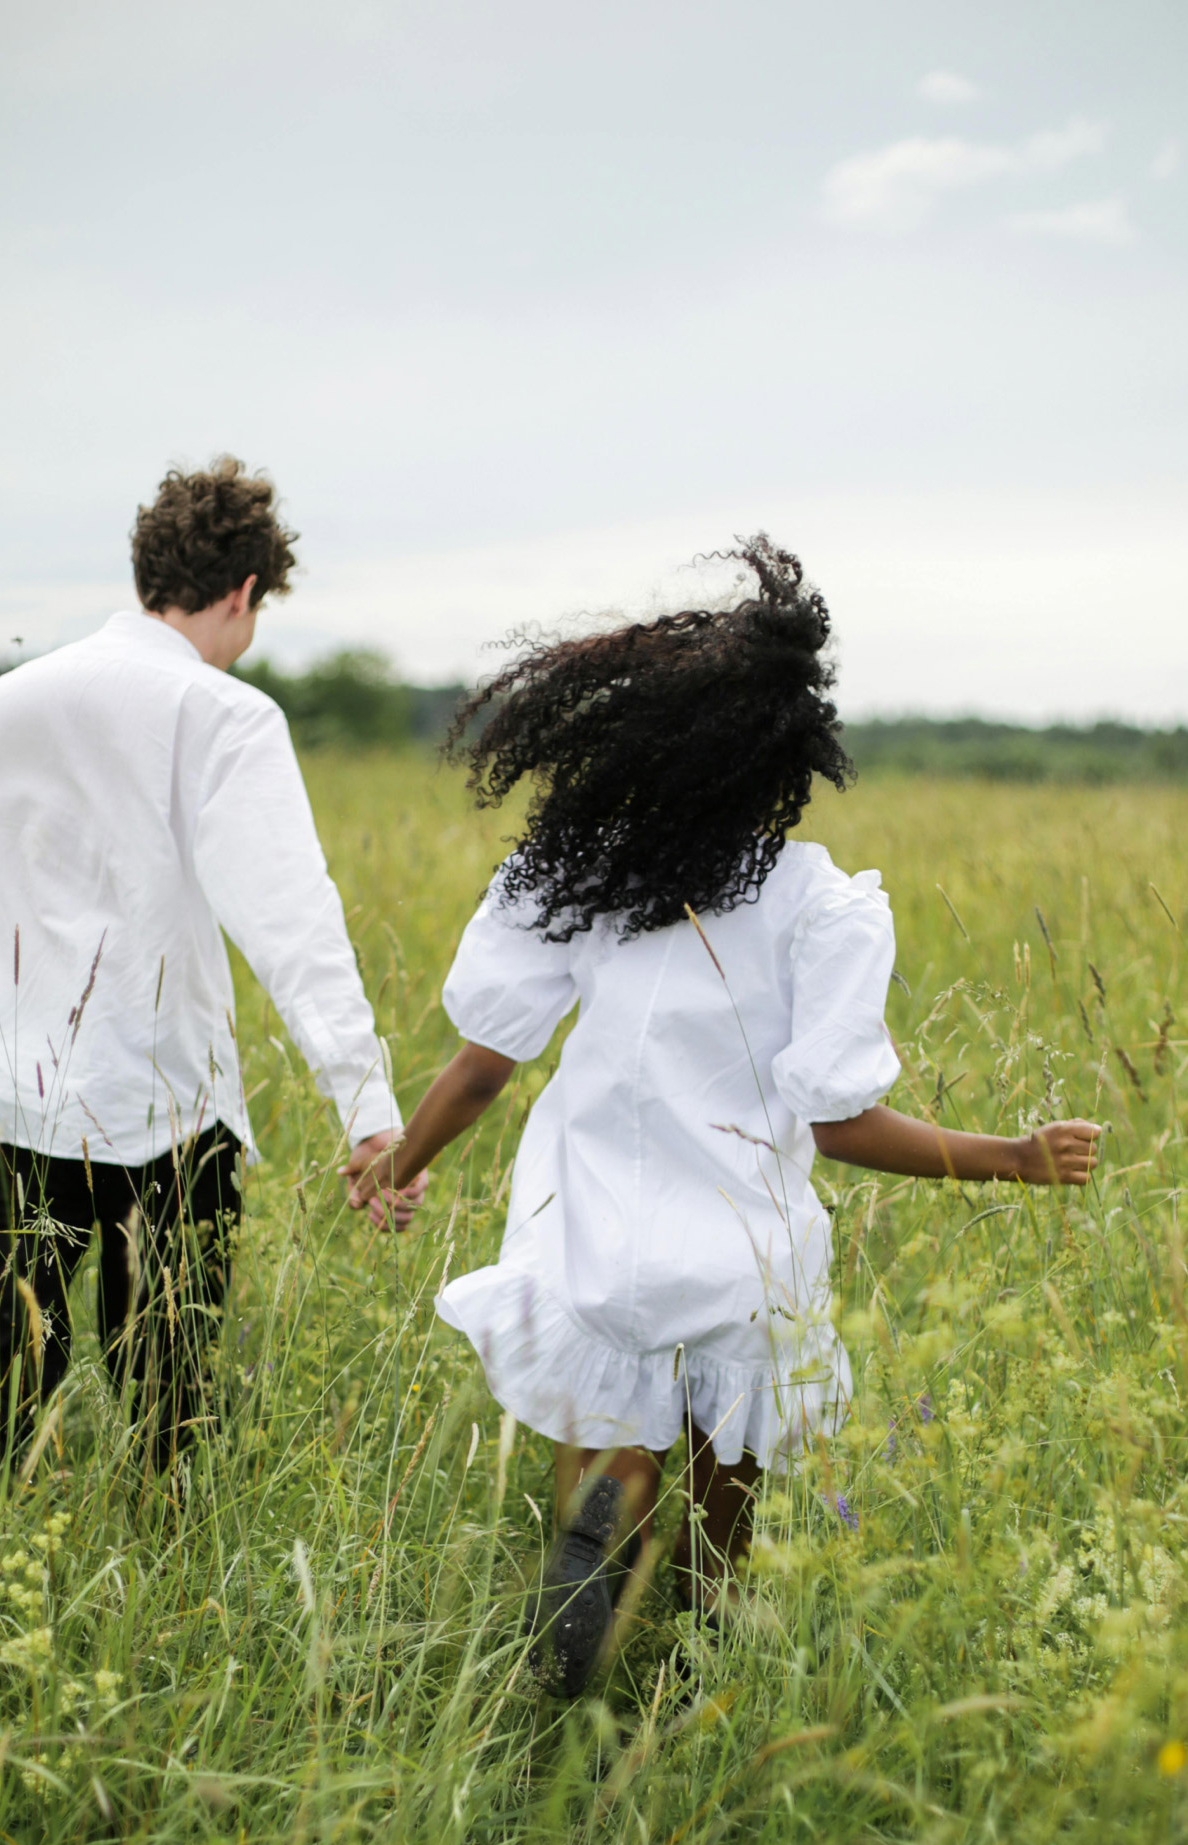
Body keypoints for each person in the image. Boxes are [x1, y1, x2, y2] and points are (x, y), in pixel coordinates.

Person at [349, 537, 1099, 1695]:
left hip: (597, 1242)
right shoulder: (819, 907)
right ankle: (699, 1657)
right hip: (742, 1262)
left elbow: (486, 1068)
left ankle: (595, 1568)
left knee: (610, 1449)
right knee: (722, 1533)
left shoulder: (593, 884)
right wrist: (1012, 1157)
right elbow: (840, 1123)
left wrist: (398, 1163)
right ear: (785, 762)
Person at [0, 457, 423, 1582]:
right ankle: (166, 1596)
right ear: (244, 592)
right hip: (163, 1109)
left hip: (5, 1099)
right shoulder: (223, 715)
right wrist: (367, 1108)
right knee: (169, 1400)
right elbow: (295, 925)